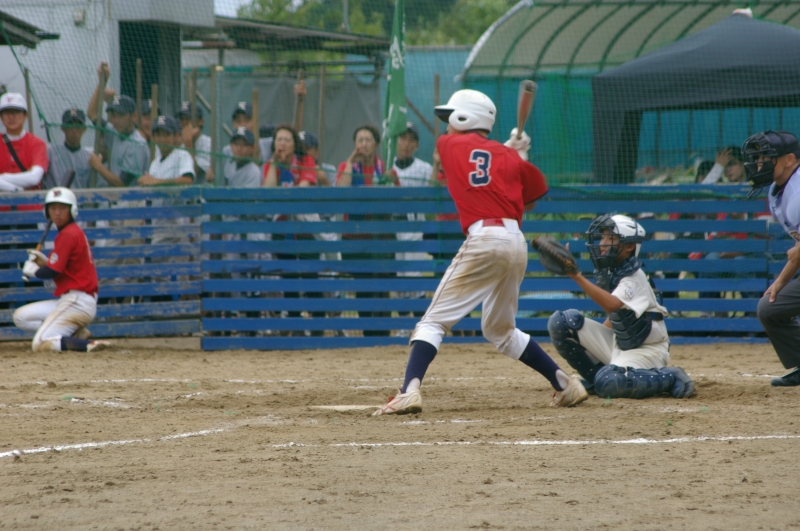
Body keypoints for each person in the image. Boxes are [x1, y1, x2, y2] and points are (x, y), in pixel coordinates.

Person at [373, 89, 587, 415]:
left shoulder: (448, 145)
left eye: (450, 118)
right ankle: (564, 384)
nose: (446, 126)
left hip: (485, 238)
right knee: (500, 330)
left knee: (433, 321)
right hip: (515, 241)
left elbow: (479, 162)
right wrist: (517, 155)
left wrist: (509, 151)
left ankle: (409, 390)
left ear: (464, 118)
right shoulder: (507, 156)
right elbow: (528, 200)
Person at [548, 214, 695, 399]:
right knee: (562, 322)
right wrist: (593, 344)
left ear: (629, 246)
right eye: (602, 237)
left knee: (609, 382)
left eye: (610, 238)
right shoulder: (613, 272)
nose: (602, 243)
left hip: (647, 349)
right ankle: (596, 378)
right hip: (621, 344)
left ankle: (671, 376)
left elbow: (612, 305)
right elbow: (617, 316)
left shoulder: (634, 276)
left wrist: (575, 275)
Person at [13, 187, 111, 352]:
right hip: (71, 299)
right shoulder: (69, 232)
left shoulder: (68, 234)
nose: (57, 213)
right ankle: (75, 333)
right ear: (46, 211)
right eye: (53, 208)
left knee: (39, 344)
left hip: (77, 301)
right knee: (21, 317)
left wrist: (33, 271)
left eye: (63, 208)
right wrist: (43, 263)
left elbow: (52, 272)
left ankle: (88, 345)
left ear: (72, 210)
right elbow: (64, 268)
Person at [744, 131, 800, 386]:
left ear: (789, 159)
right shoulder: (777, 191)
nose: (759, 164)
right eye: (758, 159)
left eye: (766, 158)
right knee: (770, 308)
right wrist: (779, 283)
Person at [262, 124, 325, 334]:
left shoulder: (306, 161)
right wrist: (274, 164)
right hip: (283, 230)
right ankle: (295, 326)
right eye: (279, 139)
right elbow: (267, 192)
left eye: (287, 140)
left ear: (294, 144)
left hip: (306, 229)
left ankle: (317, 327)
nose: (282, 143)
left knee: (310, 277)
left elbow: (303, 189)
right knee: (288, 278)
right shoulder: (270, 164)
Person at [336, 124, 396, 336]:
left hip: (381, 238)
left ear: (376, 144)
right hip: (355, 238)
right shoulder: (347, 166)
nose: (363, 144)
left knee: (382, 285)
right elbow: (340, 193)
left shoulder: (384, 168)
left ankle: (383, 333)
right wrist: (350, 162)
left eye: (368, 140)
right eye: (359, 140)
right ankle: (368, 334)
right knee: (363, 285)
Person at [389, 122, 435, 326]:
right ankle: (403, 326)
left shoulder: (424, 168)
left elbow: (432, 195)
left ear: (416, 145)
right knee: (400, 279)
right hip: (394, 230)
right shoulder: (388, 166)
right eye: (403, 138)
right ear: (396, 141)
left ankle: (418, 326)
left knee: (414, 277)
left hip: (415, 228)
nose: (406, 143)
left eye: (411, 140)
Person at [87, 64, 150, 187]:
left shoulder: (137, 144)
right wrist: (102, 83)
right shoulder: (115, 132)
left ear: (133, 116)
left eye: (120, 115)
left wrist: (99, 167)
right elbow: (92, 113)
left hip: (134, 198)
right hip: (117, 197)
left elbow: (122, 184)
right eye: (113, 115)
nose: (115, 120)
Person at [0, 92, 48, 192]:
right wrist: (18, 189)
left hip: (31, 201)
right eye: (7, 112)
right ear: (1, 117)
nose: (11, 116)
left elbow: (34, 178)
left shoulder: (37, 144)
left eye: (16, 112)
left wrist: (3, 177)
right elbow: (30, 178)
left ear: (26, 115)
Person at [43, 108, 91, 189]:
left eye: (78, 126)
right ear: (63, 128)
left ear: (84, 129)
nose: (74, 130)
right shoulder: (50, 152)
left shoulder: (89, 158)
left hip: (80, 197)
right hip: (56, 196)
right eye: (70, 125)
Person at [175, 101, 211, 183]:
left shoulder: (208, 143)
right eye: (182, 119)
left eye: (188, 118)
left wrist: (188, 143)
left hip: (201, 189)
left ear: (201, 121)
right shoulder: (177, 144)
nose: (184, 123)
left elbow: (194, 171)